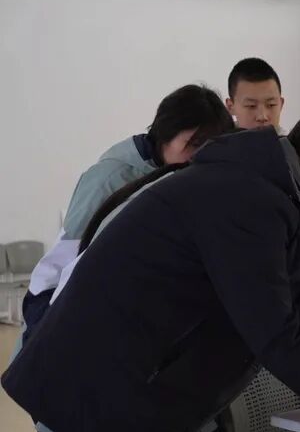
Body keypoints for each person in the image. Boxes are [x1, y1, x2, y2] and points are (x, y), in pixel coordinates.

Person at [2, 109, 300, 432]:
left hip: (132, 390)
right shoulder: (246, 199)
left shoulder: (275, 202)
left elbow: (299, 308)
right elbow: (271, 326)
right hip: (98, 389)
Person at [19, 84, 234, 346]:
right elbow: (61, 264)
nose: (202, 156)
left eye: (212, 146)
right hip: (58, 328)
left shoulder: (178, 179)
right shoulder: (108, 181)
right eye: (195, 144)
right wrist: (42, 333)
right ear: (165, 134)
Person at [225, 57, 285, 132]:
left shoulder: (291, 139)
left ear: (281, 104)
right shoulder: (215, 138)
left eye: (271, 105)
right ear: (230, 107)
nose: (262, 117)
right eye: (251, 106)